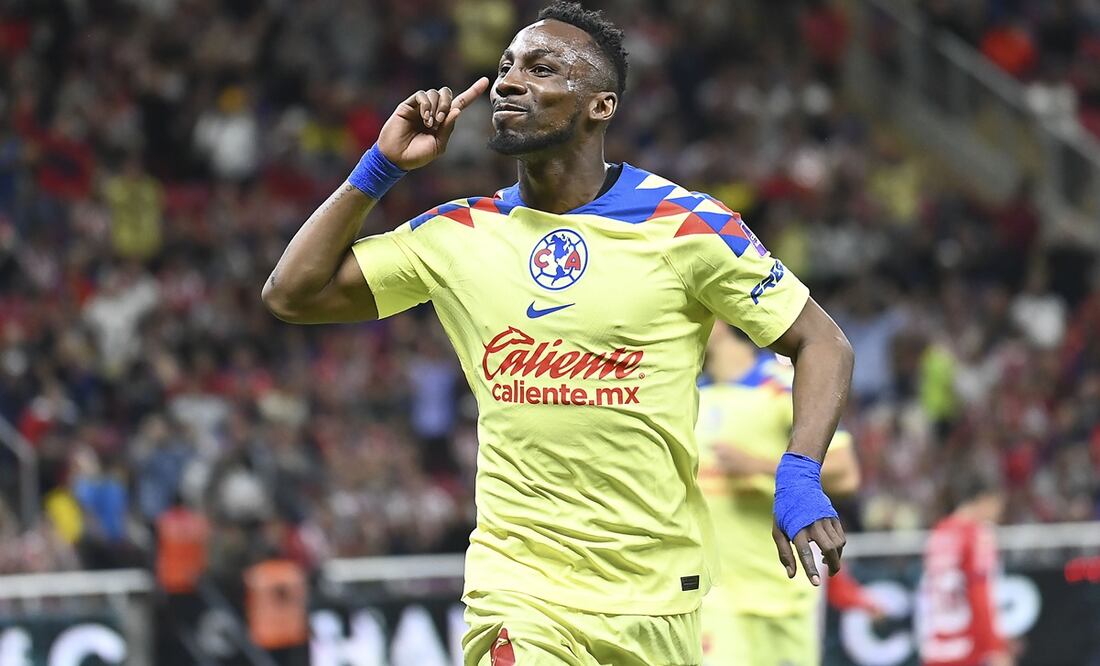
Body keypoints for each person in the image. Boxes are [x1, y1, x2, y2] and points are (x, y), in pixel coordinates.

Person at [262, 2, 854, 663]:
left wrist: (799, 474)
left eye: (541, 69)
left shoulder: (687, 226)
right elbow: (292, 293)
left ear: (601, 106)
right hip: (520, 588)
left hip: (659, 593)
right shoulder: (459, 233)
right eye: (506, 66)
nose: (509, 82)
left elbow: (821, 341)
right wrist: (380, 167)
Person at [697, 321, 868, 666]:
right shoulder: (688, 396)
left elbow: (846, 473)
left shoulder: (782, 385)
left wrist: (758, 466)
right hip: (715, 599)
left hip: (787, 593)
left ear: (718, 322)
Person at [917, 474, 1012, 666]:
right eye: (997, 506)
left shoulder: (939, 532)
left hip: (937, 647)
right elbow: (980, 594)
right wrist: (995, 648)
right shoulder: (977, 535)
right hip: (967, 648)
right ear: (985, 500)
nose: (998, 514)